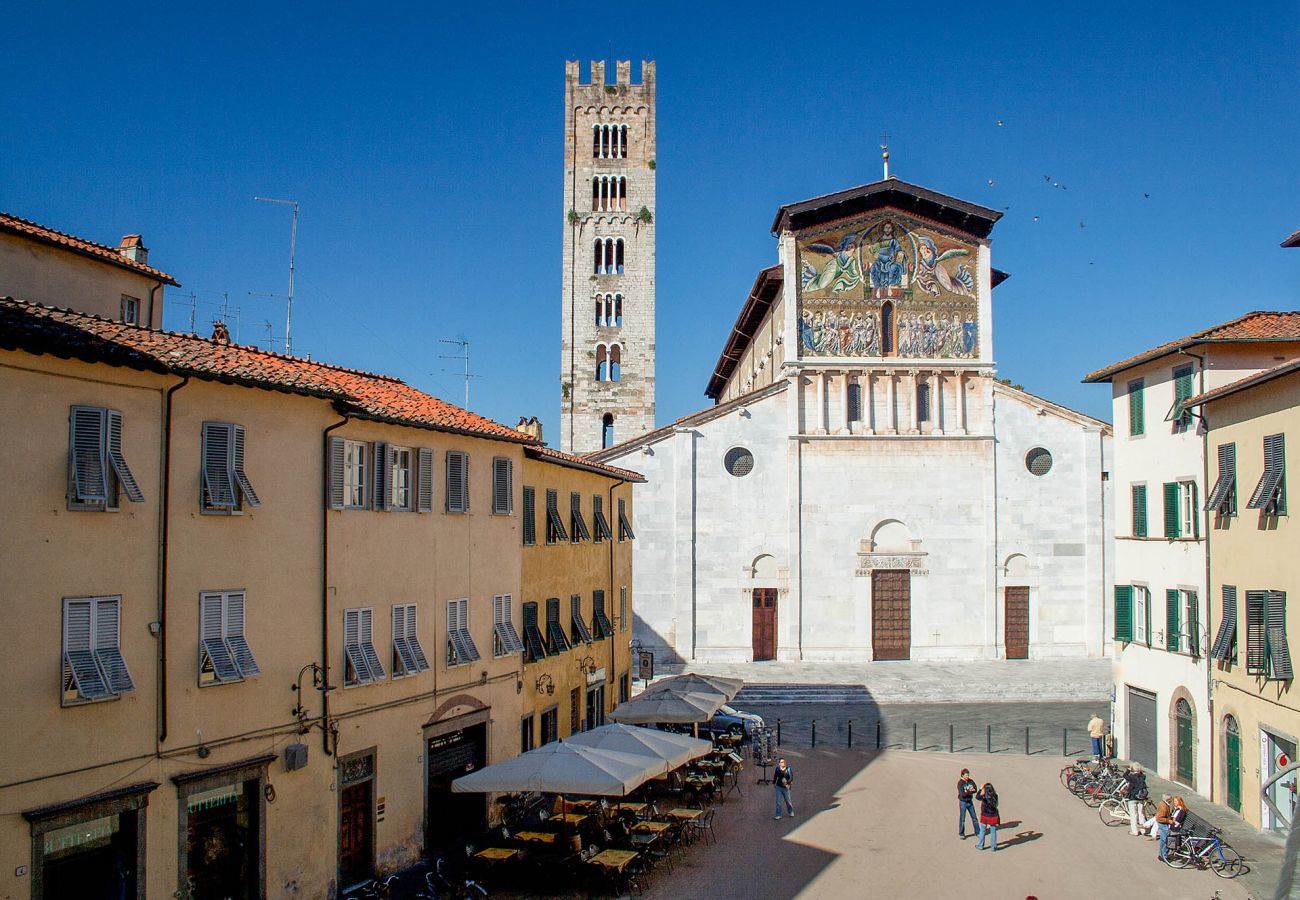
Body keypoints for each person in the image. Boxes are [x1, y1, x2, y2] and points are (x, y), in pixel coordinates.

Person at [1120, 763, 1149, 836]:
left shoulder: (1131, 777)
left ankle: (1135, 831)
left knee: (1133, 815)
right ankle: (1143, 830)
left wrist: (1129, 769)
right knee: (1141, 814)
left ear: (1133, 769)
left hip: (1133, 798)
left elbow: (1124, 776)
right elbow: (1142, 774)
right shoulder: (1143, 777)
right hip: (1141, 798)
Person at [975, 782, 1000, 851]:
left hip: (985, 815)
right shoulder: (995, 795)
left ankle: (980, 845)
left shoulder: (984, 796)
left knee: (982, 830)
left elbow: (977, 797)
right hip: (993, 815)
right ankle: (993, 846)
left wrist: (980, 789)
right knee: (993, 831)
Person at [1149, 793, 1173, 859]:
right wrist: (1168, 821)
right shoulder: (1163, 807)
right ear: (1168, 799)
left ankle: (1162, 854)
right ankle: (1163, 855)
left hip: (1163, 823)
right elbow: (1159, 818)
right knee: (1165, 840)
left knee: (1164, 839)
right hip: (1163, 824)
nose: (1172, 800)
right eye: (1171, 799)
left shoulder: (1164, 804)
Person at [958, 768, 979, 838]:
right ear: (962, 775)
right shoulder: (960, 783)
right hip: (963, 802)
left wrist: (968, 791)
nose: (967, 776)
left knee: (974, 818)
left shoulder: (971, 781)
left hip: (970, 801)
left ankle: (977, 831)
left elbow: (975, 789)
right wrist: (969, 791)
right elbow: (962, 794)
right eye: (966, 775)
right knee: (962, 819)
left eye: (968, 775)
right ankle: (961, 833)